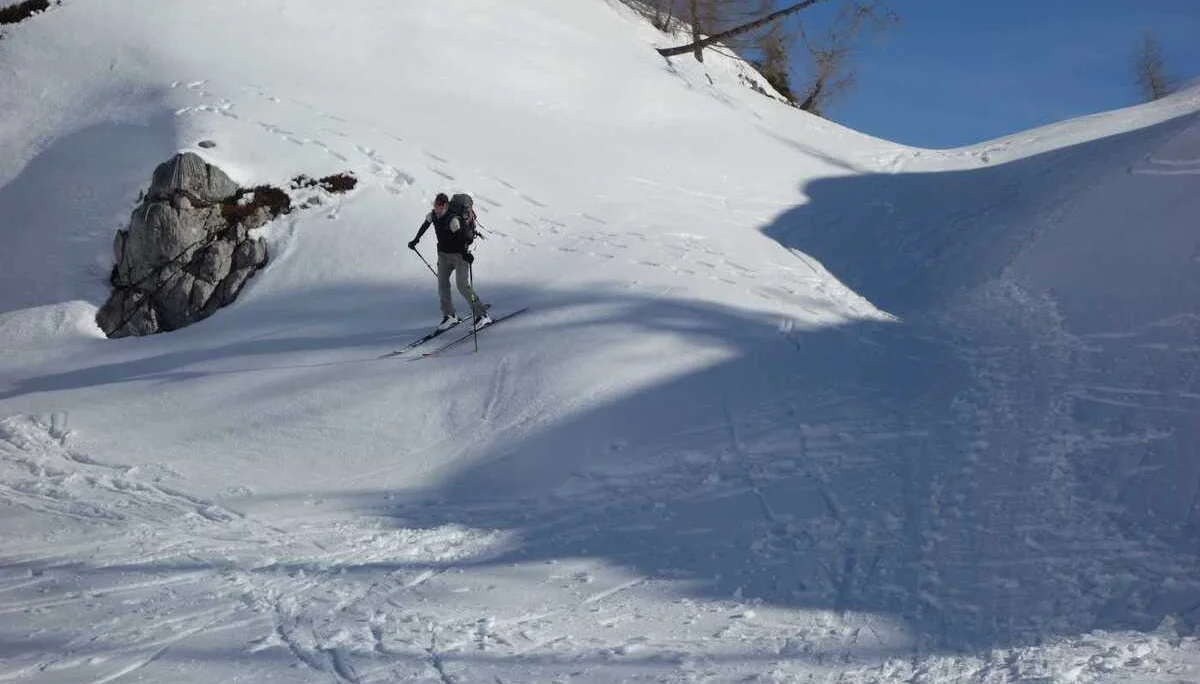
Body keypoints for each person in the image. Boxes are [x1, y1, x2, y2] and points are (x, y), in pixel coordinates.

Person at [409, 193, 491, 331]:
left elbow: (461, 238)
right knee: (442, 286)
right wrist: (416, 239)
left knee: (462, 286)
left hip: (459, 256)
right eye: (436, 206)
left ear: (446, 206)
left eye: (441, 206)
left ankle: (482, 316)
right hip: (443, 256)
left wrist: (465, 254)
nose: (438, 209)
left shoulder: (453, 220)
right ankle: (449, 316)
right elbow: (425, 225)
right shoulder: (433, 215)